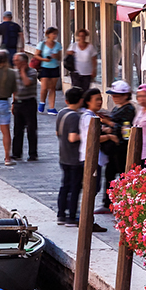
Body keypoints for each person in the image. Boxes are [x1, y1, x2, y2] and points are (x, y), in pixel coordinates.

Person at [78, 87, 114, 226]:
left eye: (100, 99)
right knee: (92, 189)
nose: (100, 102)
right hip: (90, 158)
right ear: (88, 102)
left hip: (94, 158)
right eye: (96, 99)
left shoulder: (94, 116)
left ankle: (87, 220)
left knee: (93, 189)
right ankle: (87, 221)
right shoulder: (89, 118)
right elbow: (92, 138)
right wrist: (110, 136)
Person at [55, 88, 87, 224]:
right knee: (75, 188)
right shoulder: (75, 117)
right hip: (74, 157)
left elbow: (58, 133)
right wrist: (86, 135)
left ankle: (61, 214)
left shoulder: (62, 112)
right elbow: (73, 137)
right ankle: (72, 216)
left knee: (65, 186)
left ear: (66, 100)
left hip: (63, 155)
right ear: (81, 100)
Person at [10, 52, 40, 162]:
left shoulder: (32, 72)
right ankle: (16, 153)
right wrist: (13, 103)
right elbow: (14, 89)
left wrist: (22, 71)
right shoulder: (13, 73)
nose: (15, 63)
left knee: (31, 129)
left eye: (17, 61)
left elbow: (27, 82)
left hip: (29, 102)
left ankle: (33, 153)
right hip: (18, 102)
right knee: (17, 129)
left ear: (23, 62)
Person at [36, 28, 64, 113]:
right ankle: (42, 102)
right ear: (48, 34)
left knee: (52, 88)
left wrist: (56, 56)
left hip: (54, 67)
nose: (54, 36)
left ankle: (51, 107)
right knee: (44, 87)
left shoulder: (58, 45)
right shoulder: (42, 44)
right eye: (53, 34)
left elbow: (60, 57)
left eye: (56, 34)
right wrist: (44, 59)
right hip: (44, 67)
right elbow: (36, 55)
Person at [67, 29, 99, 94]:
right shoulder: (74, 45)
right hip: (76, 72)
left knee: (85, 91)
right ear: (78, 36)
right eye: (80, 36)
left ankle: (84, 103)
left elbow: (94, 59)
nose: (82, 37)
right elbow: (68, 54)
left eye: (83, 36)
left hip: (87, 73)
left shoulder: (90, 47)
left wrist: (94, 70)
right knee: (76, 90)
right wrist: (71, 53)